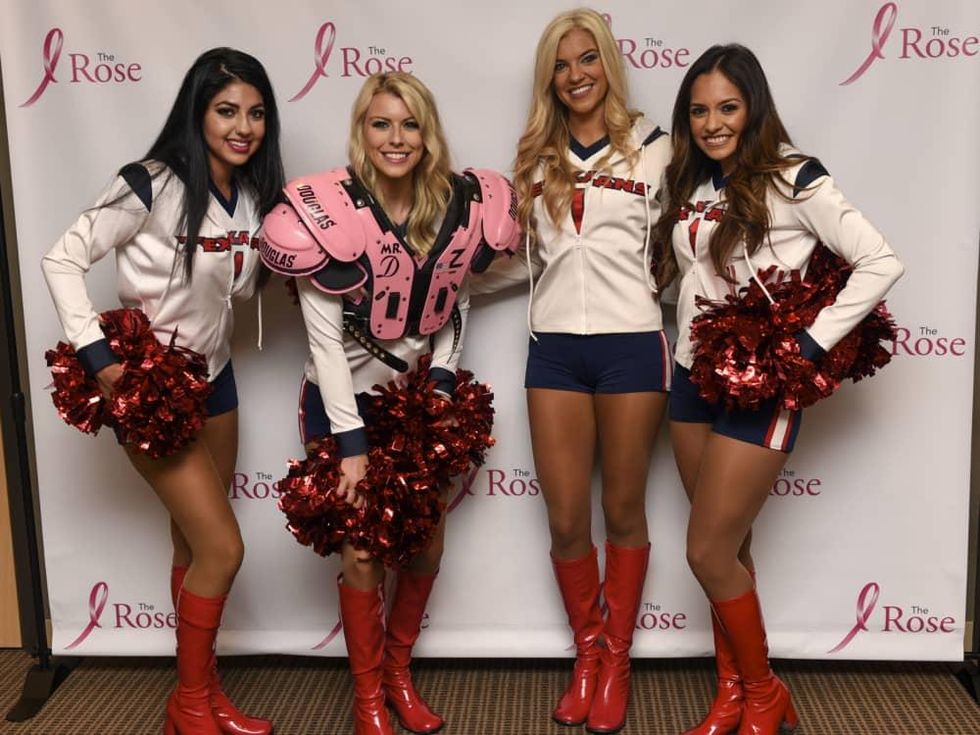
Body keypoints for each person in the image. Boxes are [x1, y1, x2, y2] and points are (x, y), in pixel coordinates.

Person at [651, 44, 904, 735]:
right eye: (699, 110)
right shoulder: (691, 182)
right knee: (729, 546)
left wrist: (810, 343)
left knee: (704, 550)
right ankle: (732, 693)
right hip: (692, 380)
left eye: (727, 108)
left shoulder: (795, 177)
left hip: (762, 385)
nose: (712, 123)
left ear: (753, 107)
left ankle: (762, 691)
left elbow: (880, 260)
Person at [260, 71, 517, 735]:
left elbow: (455, 304)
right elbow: (322, 342)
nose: (396, 138)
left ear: (427, 132)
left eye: (409, 124)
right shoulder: (327, 215)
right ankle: (368, 693)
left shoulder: (451, 205)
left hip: (416, 400)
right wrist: (351, 446)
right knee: (363, 550)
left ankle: (399, 671)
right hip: (342, 404)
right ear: (362, 130)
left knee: (426, 543)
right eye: (382, 124)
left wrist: (440, 381)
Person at [41, 47, 284, 735]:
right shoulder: (147, 183)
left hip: (217, 380)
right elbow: (61, 257)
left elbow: (241, 289)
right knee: (223, 549)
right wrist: (97, 357)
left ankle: (199, 694)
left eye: (257, 112)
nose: (244, 126)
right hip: (152, 384)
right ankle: (190, 701)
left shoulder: (252, 196)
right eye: (227, 110)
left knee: (192, 545)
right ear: (197, 111)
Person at [471, 8, 671, 733]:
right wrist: (433, 283)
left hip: (631, 346)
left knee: (622, 510)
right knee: (564, 518)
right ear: (548, 78)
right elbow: (515, 262)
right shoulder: (536, 157)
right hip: (553, 348)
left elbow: (683, 252)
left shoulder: (656, 151)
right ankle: (586, 650)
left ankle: (616, 659)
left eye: (588, 59)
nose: (576, 74)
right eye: (561, 64)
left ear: (608, 63)